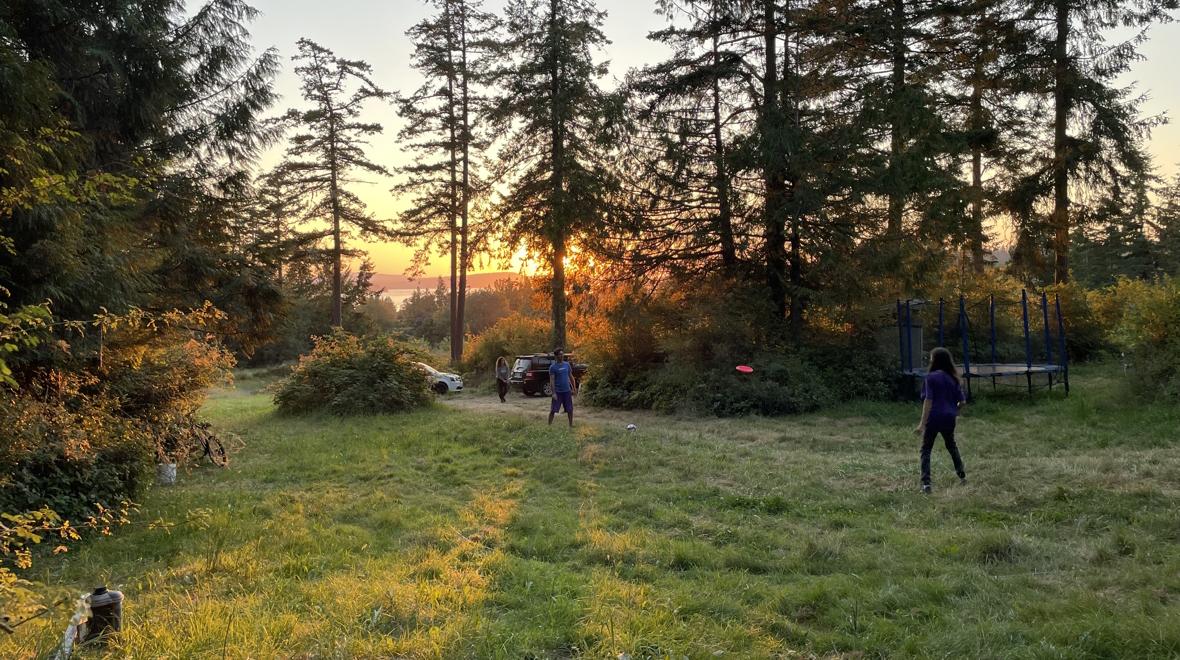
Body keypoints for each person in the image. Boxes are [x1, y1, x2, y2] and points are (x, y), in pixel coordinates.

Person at [914, 347, 967, 494]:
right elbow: (962, 402)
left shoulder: (930, 378)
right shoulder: (954, 378)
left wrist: (922, 424)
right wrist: (954, 411)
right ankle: (961, 475)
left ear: (935, 360)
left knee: (926, 449)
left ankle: (926, 483)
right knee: (951, 445)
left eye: (931, 358)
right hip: (949, 417)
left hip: (934, 417)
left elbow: (928, 401)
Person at [547, 347, 577, 427]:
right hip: (558, 392)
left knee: (570, 409)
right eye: (560, 354)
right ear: (556, 356)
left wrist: (574, 389)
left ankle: (571, 425)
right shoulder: (553, 367)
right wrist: (553, 393)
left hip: (567, 391)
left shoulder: (567, 365)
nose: (562, 356)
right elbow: (552, 381)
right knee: (553, 410)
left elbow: (571, 377)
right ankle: (549, 426)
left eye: (562, 354)